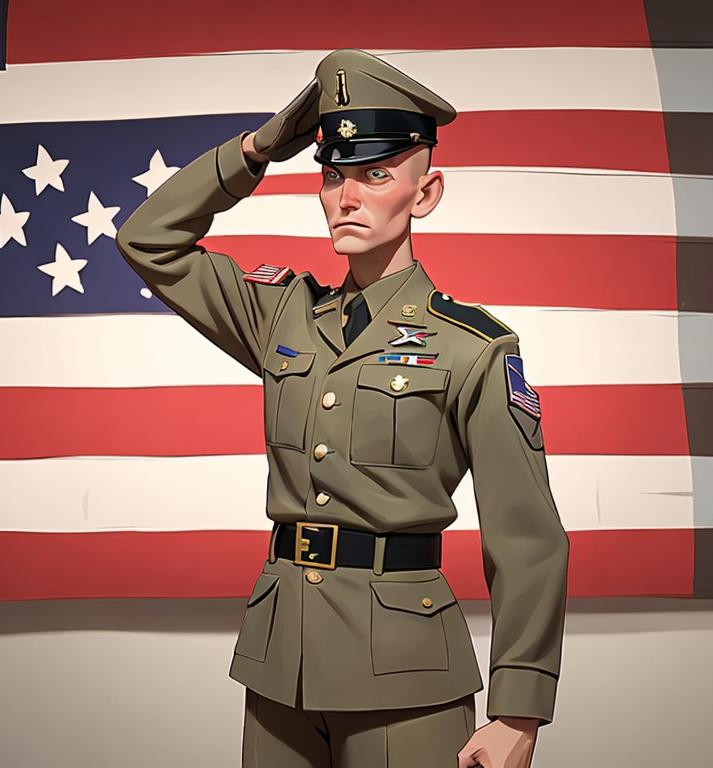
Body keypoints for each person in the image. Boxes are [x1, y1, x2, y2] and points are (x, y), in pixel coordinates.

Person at [115, 48, 569, 768]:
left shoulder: (471, 346)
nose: (345, 197)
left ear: (425, 194)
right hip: (280, 663)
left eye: (375, 175)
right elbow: (147, 240)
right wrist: (257, 149)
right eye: (332, 176)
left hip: (404, 675)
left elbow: (528, 537)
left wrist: (519, 708)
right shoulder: (282, 315)